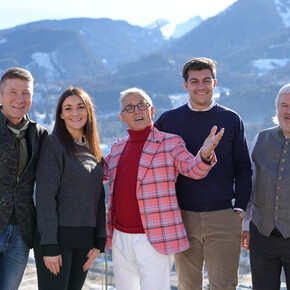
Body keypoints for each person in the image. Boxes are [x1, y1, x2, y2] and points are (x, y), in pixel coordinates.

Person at [104, 87, 224, 290]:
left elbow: (192, 169)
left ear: (152, 111)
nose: (137, 111)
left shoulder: (170, 143)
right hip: (119, 238)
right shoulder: (116, 148)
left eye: (142, 105)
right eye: (130, 108)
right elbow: (95, 176)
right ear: (122, 117)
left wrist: (204, 154)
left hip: (154, 238)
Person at [155, 57, 252, 290]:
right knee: (188, 286)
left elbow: (243, 167)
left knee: (225, 285)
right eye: (194, 81)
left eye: (206, 80)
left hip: (223, 216)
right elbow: (149, 156)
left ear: (215, 83)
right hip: (182, 217)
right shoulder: (169, 120)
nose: (201, 86)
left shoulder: (231, 119)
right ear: (185, 85)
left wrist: (239, 209)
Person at [34, 87, 106, 290]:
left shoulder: (93, 150)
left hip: (84, 242)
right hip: (57, 243)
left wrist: (98, 241)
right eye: (68, 108)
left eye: (80, 107)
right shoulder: (54, 144)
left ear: (88, 111)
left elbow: (98, 198)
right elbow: (45, 196)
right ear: (61, 114)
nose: (75, 113)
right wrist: (49, 246)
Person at [0, 67, 48, 289]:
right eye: (13, 92)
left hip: (21, 232)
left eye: (26, 93)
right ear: (1, 96)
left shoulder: (39, 134)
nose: (20, 99)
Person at [242, 84, 290, 289]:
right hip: (262, 235)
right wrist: (246, 225)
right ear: (276, 108)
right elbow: (251, 186)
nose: (287, 111)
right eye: (283, 105)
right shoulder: (260, 139)